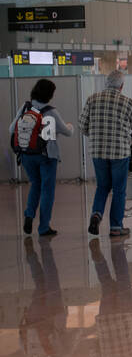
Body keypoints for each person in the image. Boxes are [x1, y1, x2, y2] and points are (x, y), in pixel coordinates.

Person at [78, 70, 132, 238]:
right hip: (120, 152)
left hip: (97, 151)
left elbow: (82, 125)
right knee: (119, 190)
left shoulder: (92, 99)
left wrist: (94, 136)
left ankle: (96, 214)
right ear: (121, 86)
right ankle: (116, 226)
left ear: (106, 83)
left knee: (102, 186)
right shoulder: (127, 102)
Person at [10, 78, 73, 237]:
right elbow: (67, 131)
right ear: (49, 94)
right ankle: (44, 227)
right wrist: (70, 126)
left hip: (26, 154)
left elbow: (12, 128)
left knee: (35, 184)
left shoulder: (25, 108)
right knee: (47, 190)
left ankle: (29, 215)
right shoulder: (50, 111)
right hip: (47, 156)